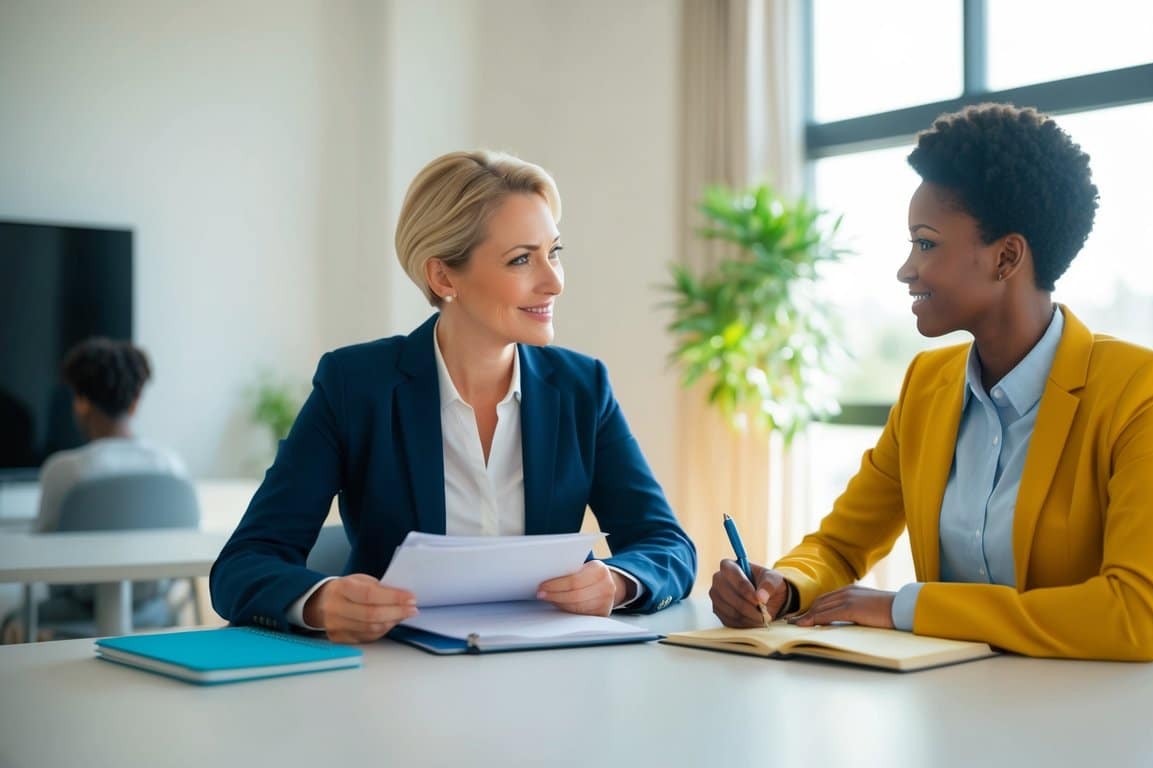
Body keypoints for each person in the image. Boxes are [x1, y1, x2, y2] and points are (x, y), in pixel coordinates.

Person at [709, 104, 1153, 666]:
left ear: (1006, 257)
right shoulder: (929, 385)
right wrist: (786, 586)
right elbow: (840, 544)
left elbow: (1137, 616)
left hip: (1129, 721)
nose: (905, 268)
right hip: (970, 705)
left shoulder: (1141, 388)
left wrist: (908, 608)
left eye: (925, 244)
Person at [211, 150, 697, 644]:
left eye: (554, 252)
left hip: (550, 677)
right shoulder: (355, 386)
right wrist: (321, 601)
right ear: (444, 277)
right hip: (394, 683)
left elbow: (667, 546)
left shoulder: (581, 387)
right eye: (522, 259)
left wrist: (616, 582)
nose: (554, 281)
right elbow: (244, 565)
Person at [2, 338, 188, 642]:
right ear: (136, 400)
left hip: (74, 614)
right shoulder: (171, 465)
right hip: (154, 613)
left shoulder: (64, 471)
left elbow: (43, 559)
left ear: (81, 401)